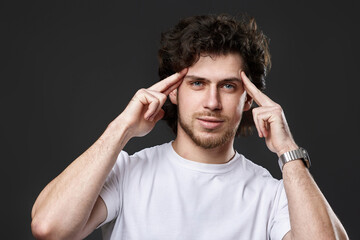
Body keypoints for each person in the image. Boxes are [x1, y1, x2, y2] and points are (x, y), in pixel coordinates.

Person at [31, 14, 348, 240]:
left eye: (227, 86)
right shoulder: (126, 174)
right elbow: (49, 228)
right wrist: (121, 129)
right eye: (197, 83)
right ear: (173, 91)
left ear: (249, 100)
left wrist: (288, 150)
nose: (212, 102)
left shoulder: (272, 193)